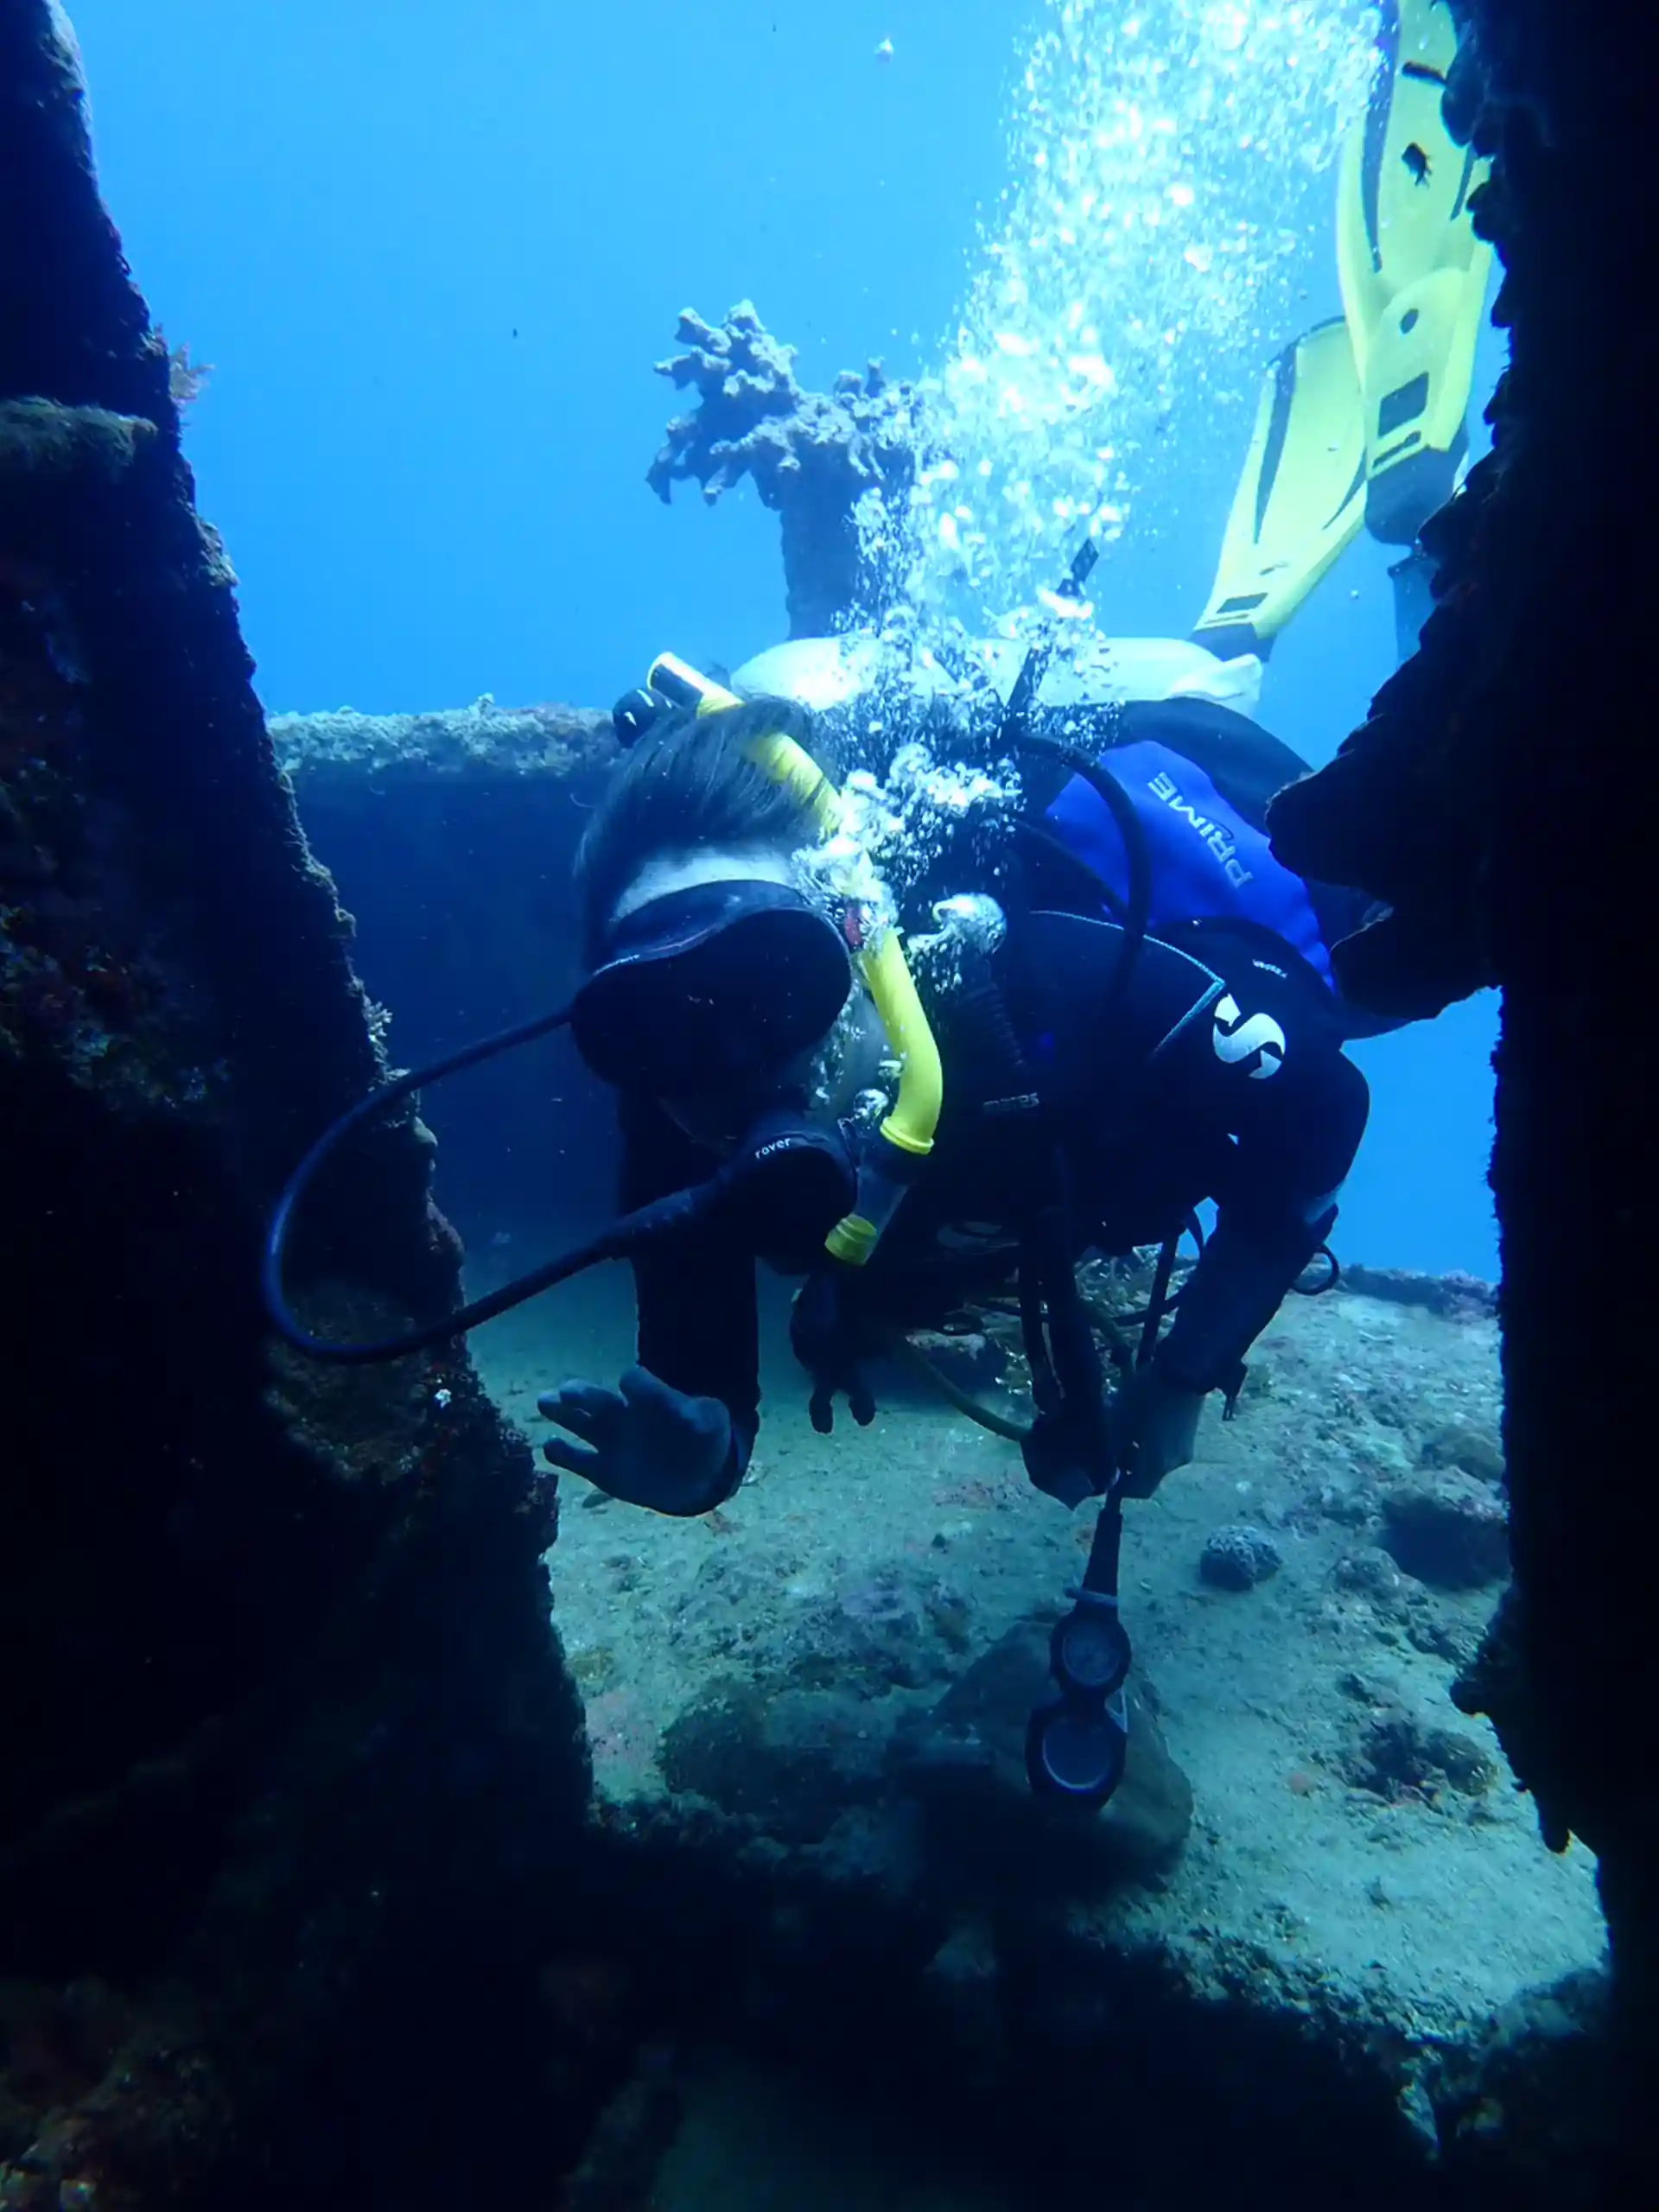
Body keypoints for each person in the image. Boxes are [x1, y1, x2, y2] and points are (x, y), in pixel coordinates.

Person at [537, 649, 1375, 1536]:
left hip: (1218, 840)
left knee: (1385, 970)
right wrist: (704, 1464)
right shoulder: (669, 1098)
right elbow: (697, 1396)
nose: (740, 1058)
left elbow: (1325, 1109)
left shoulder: (1054, 979)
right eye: (660, 1016)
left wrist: (1181, 1378)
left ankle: (1216, 668)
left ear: (862, 936)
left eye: (777, 974)